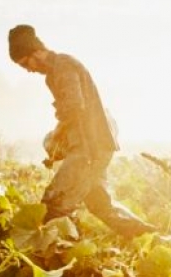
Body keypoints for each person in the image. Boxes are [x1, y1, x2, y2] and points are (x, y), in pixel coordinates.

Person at [8, 24, 156, 237]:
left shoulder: (63, 66)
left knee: (53, 206)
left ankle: (56, 259)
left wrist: (57, 135)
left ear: (37, 51)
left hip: (89, 148)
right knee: (102, 206)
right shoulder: (54, 73)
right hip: (96, 145)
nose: (29, 70)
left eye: (26, 64)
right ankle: (155, 238)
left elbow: (74, 107)